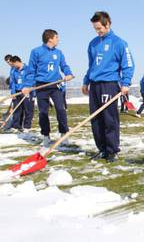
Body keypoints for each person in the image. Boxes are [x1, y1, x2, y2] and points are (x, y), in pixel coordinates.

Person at [82, 11, 134, 162]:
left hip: (109, 84)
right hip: (94, 85)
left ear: (108, 24)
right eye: (95, 29)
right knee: (96, 118)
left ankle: (112, 150)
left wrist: (125, 83)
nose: (98, 31)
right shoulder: (93, 43)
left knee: (109, 119)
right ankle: (102, 149)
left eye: (99, 28)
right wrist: (86, 81)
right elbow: (91, 65)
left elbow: (128, 65)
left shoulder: (119, 43)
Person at [22, 29, 74, 146]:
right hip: (41, 86)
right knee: (43, 112)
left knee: (61, 109)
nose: (58, 39)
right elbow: (31, 71)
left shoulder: (59, 52)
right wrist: (27, 85)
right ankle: (46, 135)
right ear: (50, 38)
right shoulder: (36, 52)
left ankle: (64, 134)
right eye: (56, 37)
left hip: (56, 85)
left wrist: (68, 73)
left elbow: (64, 66)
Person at [9, 55, 34, 132]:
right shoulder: (14, 70)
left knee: (28, 109)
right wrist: (13, 92)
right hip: (17, 92)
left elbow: (32, 79)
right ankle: (16, 126)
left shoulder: (28, 69)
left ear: (17, 62)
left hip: (27, 91)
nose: (13, 66)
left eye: (13, 64)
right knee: (17, 109)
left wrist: (27, 88)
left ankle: (27, 126)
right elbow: (12, 82)